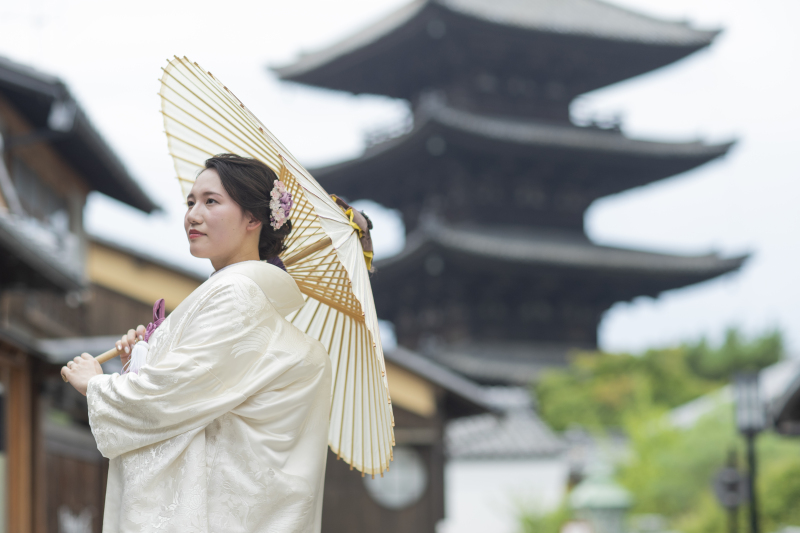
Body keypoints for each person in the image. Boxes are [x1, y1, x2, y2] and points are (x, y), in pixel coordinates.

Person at [61, 153, 332, 533]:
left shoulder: (237, 294)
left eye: (211, 201)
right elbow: (194, 393)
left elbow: (174, 395)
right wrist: (138, 363)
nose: (192, 214)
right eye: (190, 202)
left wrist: (97, 384)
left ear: (253, 219)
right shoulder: (240, 294)